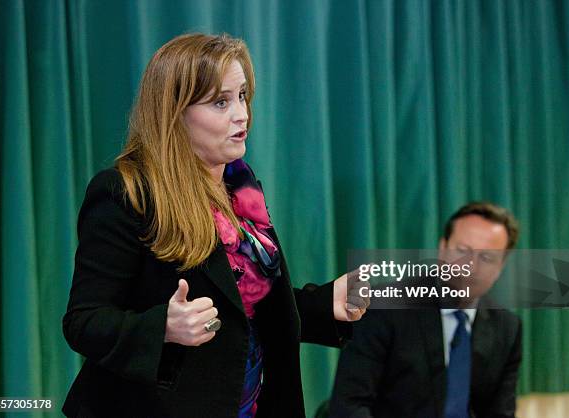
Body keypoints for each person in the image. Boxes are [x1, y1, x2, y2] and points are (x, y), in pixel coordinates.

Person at [62, 33, 367, 418]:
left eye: (242, 96)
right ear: (174, 113)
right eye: (221, 102)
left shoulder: (240, 185)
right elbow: (83, 321)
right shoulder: (126, 192)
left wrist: (326, 305)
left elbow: (241, 306)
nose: (241, 114)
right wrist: (163, 327)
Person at [329, 202, 522, 418]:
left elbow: (500, 412)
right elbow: (349, 406)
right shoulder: (384, 307)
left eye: (486, 258)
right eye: (462, 250)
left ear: (501, 267)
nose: (471, 267)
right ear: (442, 248)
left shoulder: (507, 327)